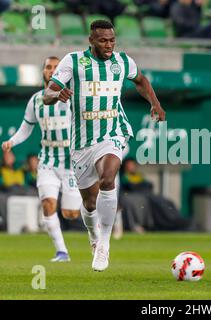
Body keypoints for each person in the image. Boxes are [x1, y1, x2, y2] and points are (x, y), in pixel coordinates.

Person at [43, 19, 166, 272]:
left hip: (113, 132)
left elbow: (141, 80)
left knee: (108, 179)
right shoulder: (74, 61)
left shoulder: (122, 61)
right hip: (81, 142)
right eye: (103, 40)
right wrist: (57, 94)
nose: (109, 45)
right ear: (91, 40)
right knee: (89, 203)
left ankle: (104, 245)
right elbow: (48, 94)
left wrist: (155, 103)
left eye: (112, 40)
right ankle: (93, 234)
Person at [2, 56, 82, 262]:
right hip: (48, 160)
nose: (52, 70)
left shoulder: (73, 97)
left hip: (71, 161)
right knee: (47, 204)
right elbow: (26, 127)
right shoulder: (36, 100)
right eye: (48, 67)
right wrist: (12, 141)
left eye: (56, 67)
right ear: (43, 72)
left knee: (71, 214)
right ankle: (62, 252)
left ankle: (96, 217)